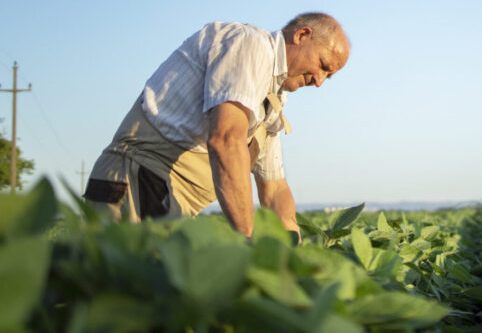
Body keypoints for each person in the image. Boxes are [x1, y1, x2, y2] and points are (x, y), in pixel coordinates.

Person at [83, 12, 350, 240]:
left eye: (329, 76)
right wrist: (249, 240)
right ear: (302, 35)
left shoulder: (273, 100)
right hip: (136, 181)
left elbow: (275, 189)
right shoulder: (250, 46)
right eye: (323, 66)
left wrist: (292, 252)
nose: (319, 81)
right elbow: (225, 141)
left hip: (168, 201)